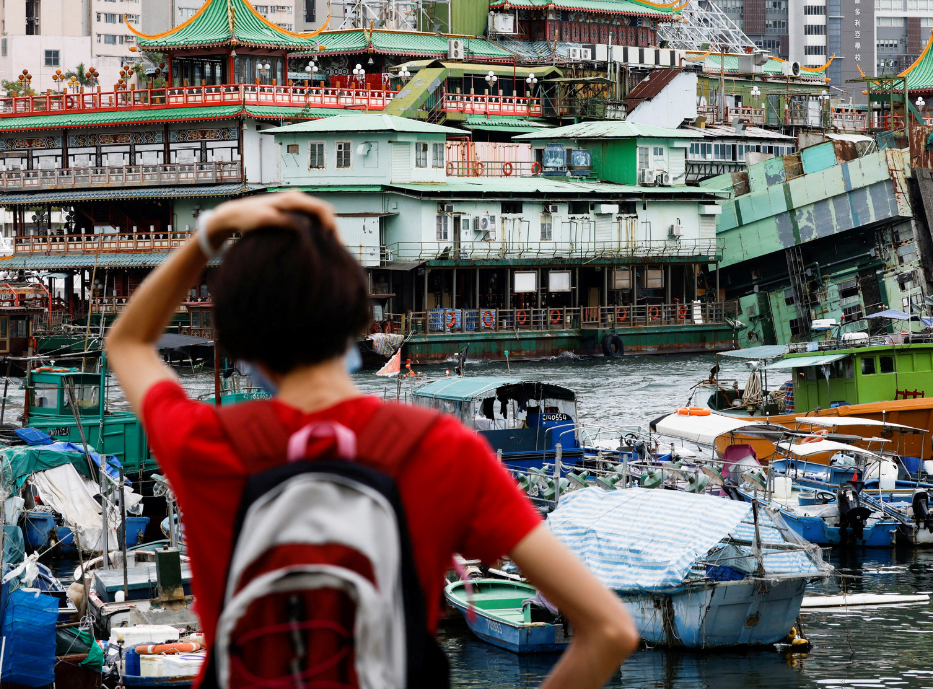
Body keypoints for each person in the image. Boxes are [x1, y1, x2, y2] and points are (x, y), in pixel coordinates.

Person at [106, 191, 637, 689]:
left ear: (238, 342)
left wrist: (209, 236)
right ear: (362, 318)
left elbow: (128, 341)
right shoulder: (444, 448)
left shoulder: (207, 443)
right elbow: (610, 630)